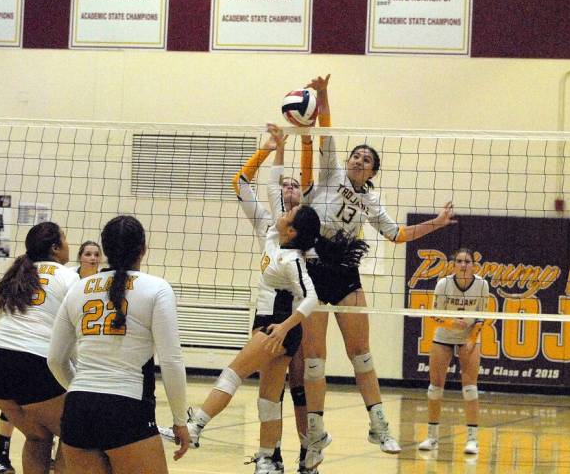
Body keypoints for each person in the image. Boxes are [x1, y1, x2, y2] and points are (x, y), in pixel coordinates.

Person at [299, 74, 456, 469]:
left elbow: (398, 235)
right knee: (315, 359)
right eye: (356, 155)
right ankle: (315, 431)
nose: (358, 160)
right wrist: (323, 93)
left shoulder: (374, 202)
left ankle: (379, 425)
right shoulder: (331, 175)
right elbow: (327, 135)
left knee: (362, 355)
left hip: (346, 275)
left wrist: (436, 223)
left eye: (366, 160)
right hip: (314, 269)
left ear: (372, 172)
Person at [171, 205, 355, 474]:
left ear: (291, 230)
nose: (282, 213)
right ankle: (268, 459)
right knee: (268, 399)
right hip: (267, 322)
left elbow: (312, 298)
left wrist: (283, 328)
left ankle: (195, 427)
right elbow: (273, 185)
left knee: (233, 373)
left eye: (288, 215)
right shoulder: (272, 237)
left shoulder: (292, 259)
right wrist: (272, 160)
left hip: (277, 327)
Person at [47, 215, 190, 473]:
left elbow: (55, 360)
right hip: (127, 408)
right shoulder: (156, 289)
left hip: (78, 409)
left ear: (105, 252)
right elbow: (171, 361)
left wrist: (84, 390)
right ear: (143, 249)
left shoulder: (78, 289)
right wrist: (180, 421)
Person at [230, 122, 317, 473]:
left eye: (295, 185)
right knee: (272, 387)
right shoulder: (268, 223)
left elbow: (307, 178)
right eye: (285, 184)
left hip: (302, 313)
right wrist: (270, 147)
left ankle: (308, 455)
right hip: (270, 313)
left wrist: (306, 136)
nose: (289, 188)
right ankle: (272, 455)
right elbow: (240, 182)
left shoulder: (313, 221)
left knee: (302, 385)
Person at [0, 221, 78, 474]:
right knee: (74, 435)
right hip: (33, 362)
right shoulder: (68, 276)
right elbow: (77, 330)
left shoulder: (22, 272)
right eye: (65, 239)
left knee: (37, 437)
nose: (69, 245)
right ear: (56, 248)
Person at [417, 248, 489, 455]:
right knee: (435, 387)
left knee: (470, 388)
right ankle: (431, 437)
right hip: (444, 336)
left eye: (467, 261)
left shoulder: (482, 285)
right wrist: (450, 323)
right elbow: (434, 315)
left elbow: (483, 315)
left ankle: (473, 440)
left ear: (473, 265)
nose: (463, 264)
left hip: (469, 335)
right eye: (459, 261)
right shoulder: (444, 284)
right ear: (454, 264)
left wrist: (472, 337)